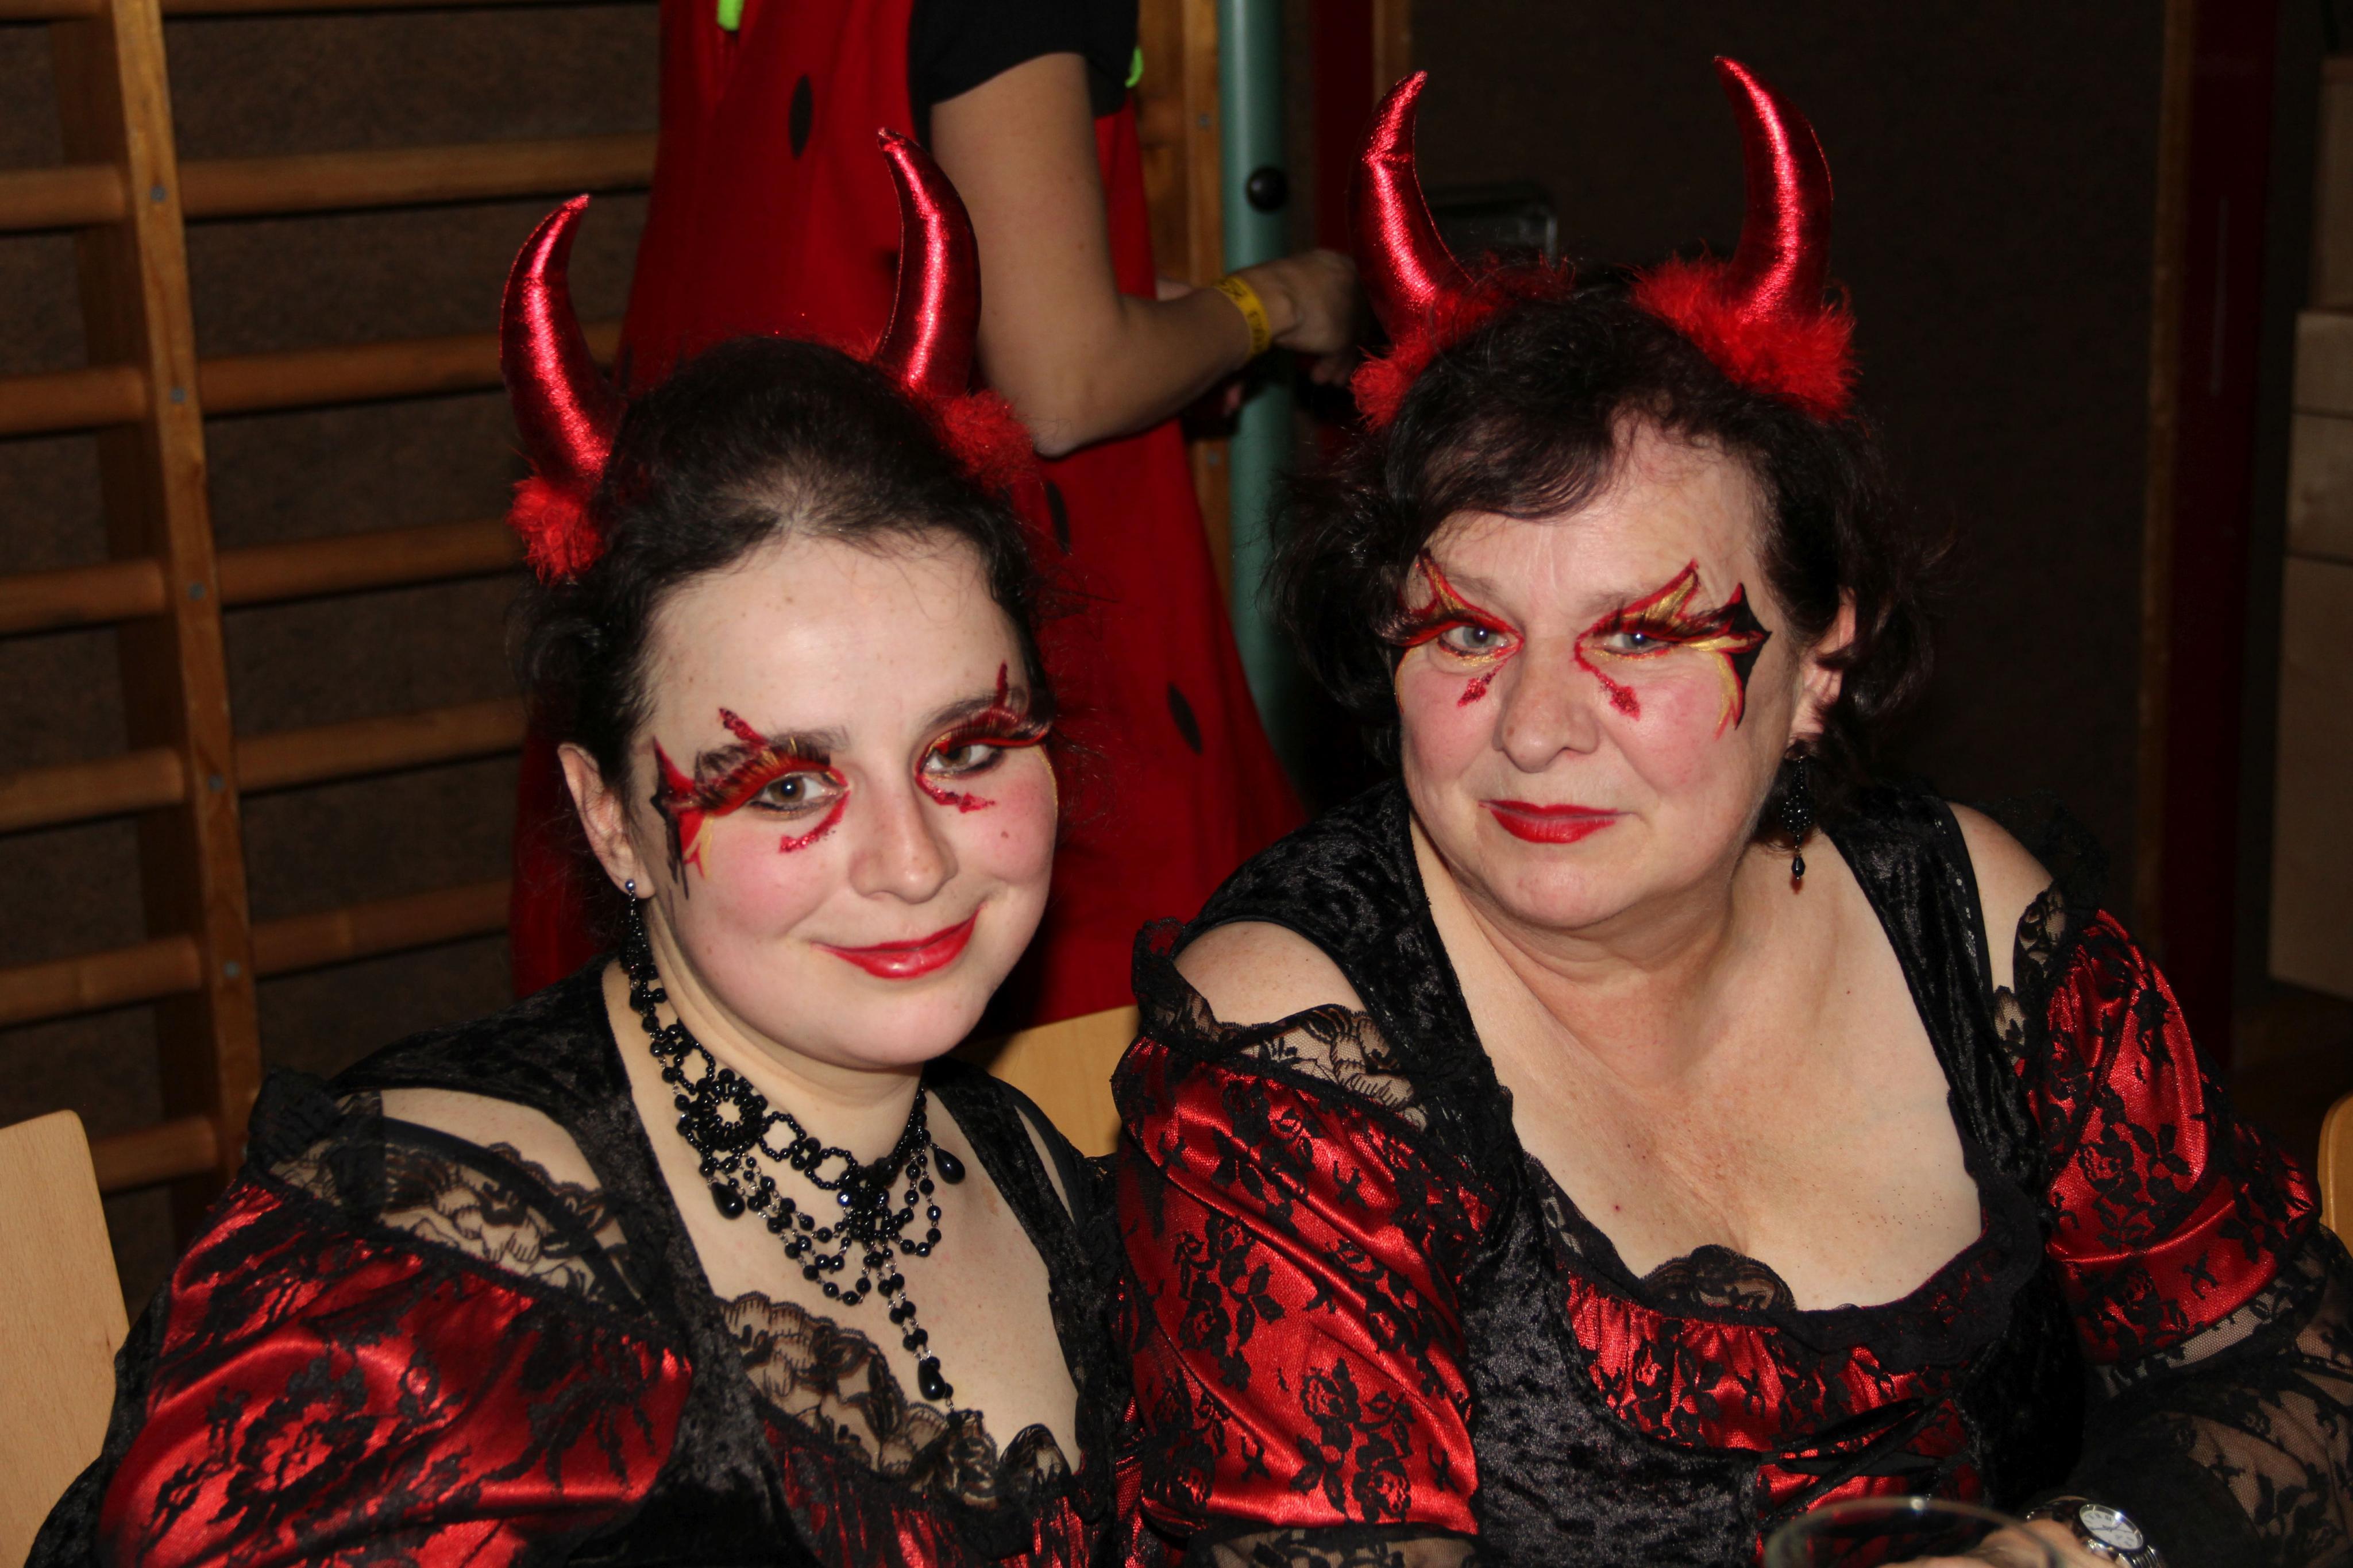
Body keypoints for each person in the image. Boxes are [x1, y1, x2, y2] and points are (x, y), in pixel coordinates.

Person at [1111, 64, 2353, 1568]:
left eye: (1643, 633)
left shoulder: (1969, 922)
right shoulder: (1297, 1041)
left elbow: (2287, 1366)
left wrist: (2063, 1556)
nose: (1536, 726)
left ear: (1822, 656)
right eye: (1466, 630)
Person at [34, 141, 1115, 1568]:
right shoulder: (428, 1293)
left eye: (965, 749)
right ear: (610, 818)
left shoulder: (1034, 1172)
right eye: (787, 785)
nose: (911, 864)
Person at [508, 0, 1361, 1019]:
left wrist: (1132, 309)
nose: (908, 865)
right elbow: (1065, 384)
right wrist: (1277, 301)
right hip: (946, 617)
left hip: (705, 622)